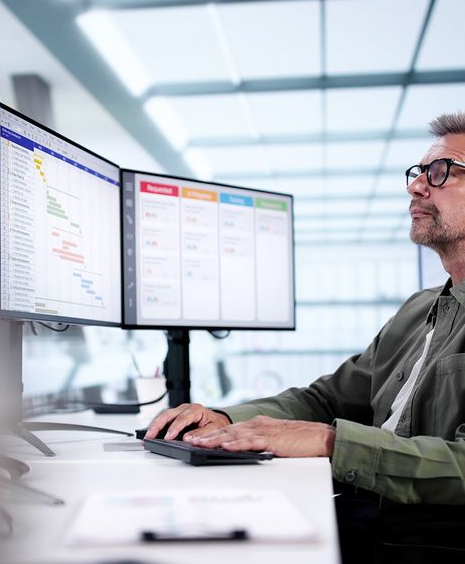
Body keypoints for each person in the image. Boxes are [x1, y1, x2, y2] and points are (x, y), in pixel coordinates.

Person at [145, 111, 465, 562]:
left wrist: (330, 441)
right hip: (363, 510)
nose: (416, 186)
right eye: (417, 173)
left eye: (440, 172)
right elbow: (327, 400)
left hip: (427, 537)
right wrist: (224, 418)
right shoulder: (419, 308)